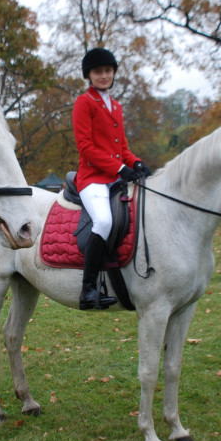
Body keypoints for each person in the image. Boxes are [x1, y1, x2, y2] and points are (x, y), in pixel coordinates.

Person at [72, 47, 151, 310]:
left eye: (107, 70)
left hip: (114, 179)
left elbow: (122, 147)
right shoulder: (84, 103)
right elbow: (86, 147)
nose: (104, 75)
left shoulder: (116, 106)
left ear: (113, 72)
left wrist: (135, 162)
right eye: (98, 71)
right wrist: (119, 168)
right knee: (104, 221)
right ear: (89, 75)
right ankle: (88, 289)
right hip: (92, 178)